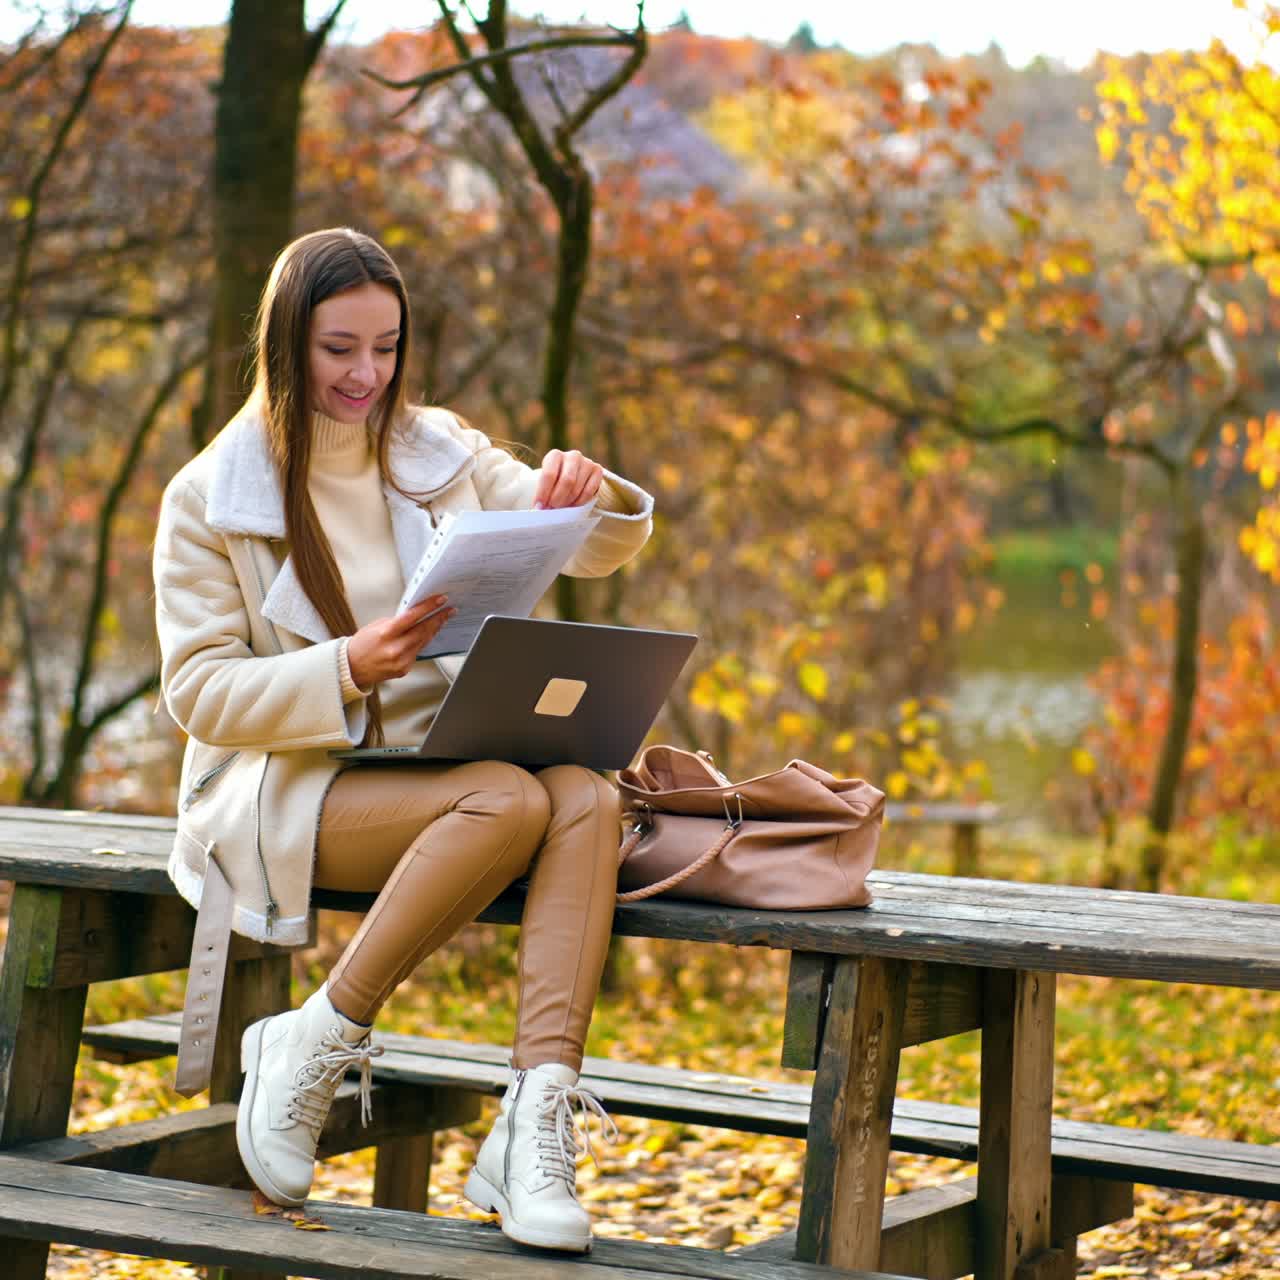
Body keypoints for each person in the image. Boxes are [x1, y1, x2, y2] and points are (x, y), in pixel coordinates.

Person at [152, 227, 652, 1252]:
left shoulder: (441, 450)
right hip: (283, 788)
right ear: (285, 342)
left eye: (385, 347)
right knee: (511, 798)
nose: (365, 374)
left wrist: (582, 498)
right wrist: (343, 667)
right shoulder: (210, 496)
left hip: (435, 769)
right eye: (339, 348)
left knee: (587, 793)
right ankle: (316, 1037)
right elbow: (197, 691)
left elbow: (582, 541)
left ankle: (531, 1120)